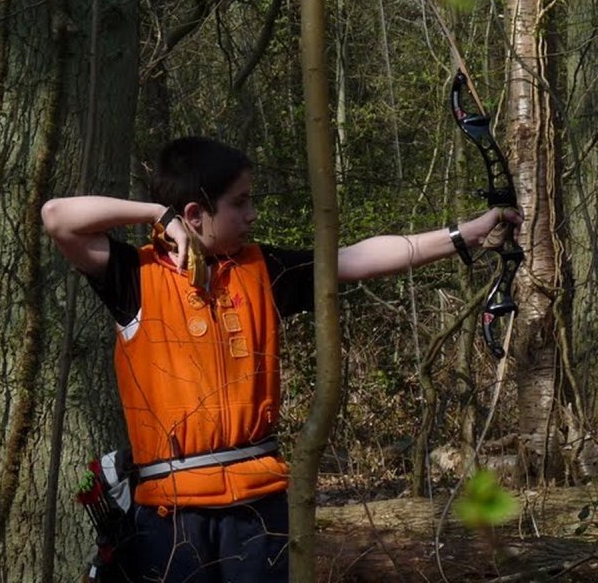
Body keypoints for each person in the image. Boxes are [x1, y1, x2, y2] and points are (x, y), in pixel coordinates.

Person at [41, 136, 521, 582]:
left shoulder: (261, 269)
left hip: (257, 510)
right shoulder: (135, 275)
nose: (251, 214)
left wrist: (466, 235)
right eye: (239, 203)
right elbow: (57, 216)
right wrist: (155, 214)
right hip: (170, 518)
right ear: (194, 213)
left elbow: (354, 259)